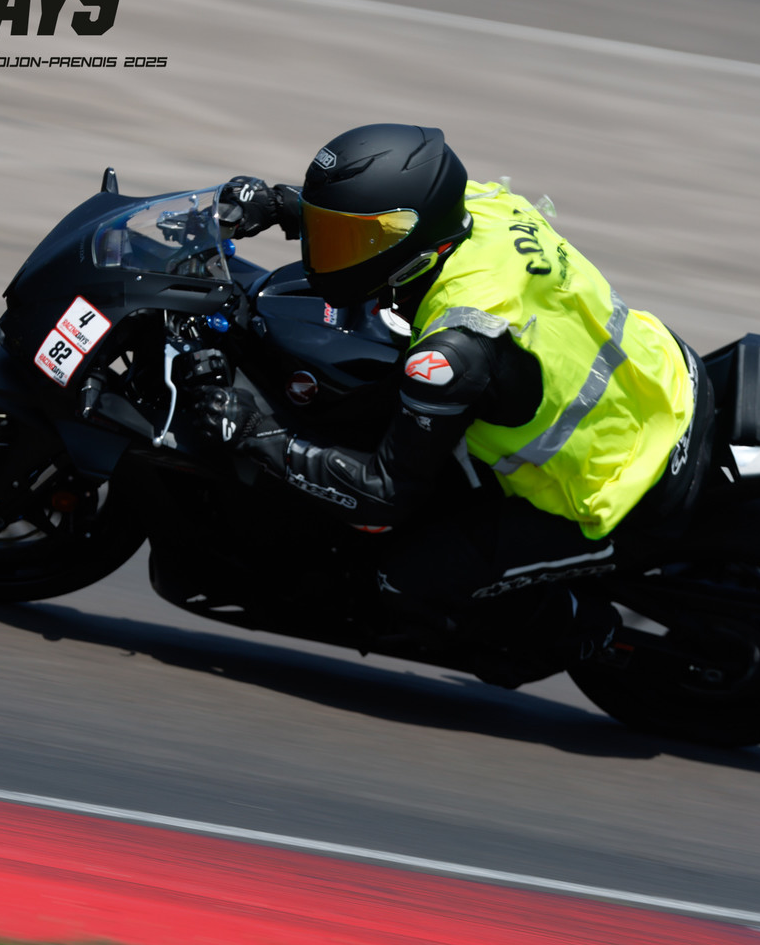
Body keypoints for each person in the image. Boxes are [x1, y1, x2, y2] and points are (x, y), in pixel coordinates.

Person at [190, 124, 714, 686]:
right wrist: (288, 206)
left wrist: (255, 434)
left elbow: (383, 495)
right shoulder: (482, 209)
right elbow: (387, 225)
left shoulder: (453, 351)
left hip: (626, 484)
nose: (329, 251)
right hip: (663, 375)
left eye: (341, 238)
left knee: (406, 581)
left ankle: (589, 634)